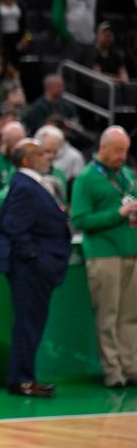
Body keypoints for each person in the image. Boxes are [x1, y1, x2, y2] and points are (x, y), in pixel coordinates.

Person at [0, 139, 71, 397]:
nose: (46, 157)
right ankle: (21, 379)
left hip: (35, 267)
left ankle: (25, 377)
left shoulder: (32, 183)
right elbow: (14, 227)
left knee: (32, 324)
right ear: (26, 160)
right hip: (29, 269)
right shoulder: (24, 186)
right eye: (39, 153)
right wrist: (34, 257)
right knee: (27, 325)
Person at [70, 126, 137, 388]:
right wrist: (117, 214)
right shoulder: (87, 178)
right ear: (103, 147)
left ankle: (131, 366)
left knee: (130, 316)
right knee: (108, 316)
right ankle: (112, 371)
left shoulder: (128, 176)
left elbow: (129, 204)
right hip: (103, 254)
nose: (122, 156)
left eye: (126, 151)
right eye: (118, 150)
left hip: (131, 251)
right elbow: (80, 219)